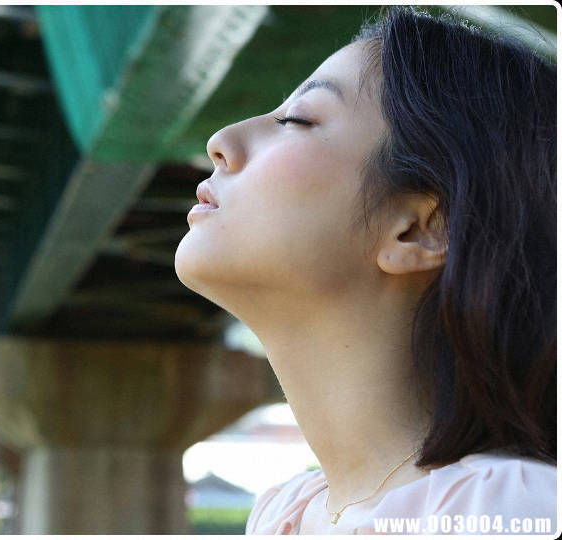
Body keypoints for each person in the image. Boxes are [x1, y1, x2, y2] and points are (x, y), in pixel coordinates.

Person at [174, 5, 556, 535]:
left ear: (421, 230)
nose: (220, 141)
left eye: (297, 120)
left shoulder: (511, 512)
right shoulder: (284, 515)